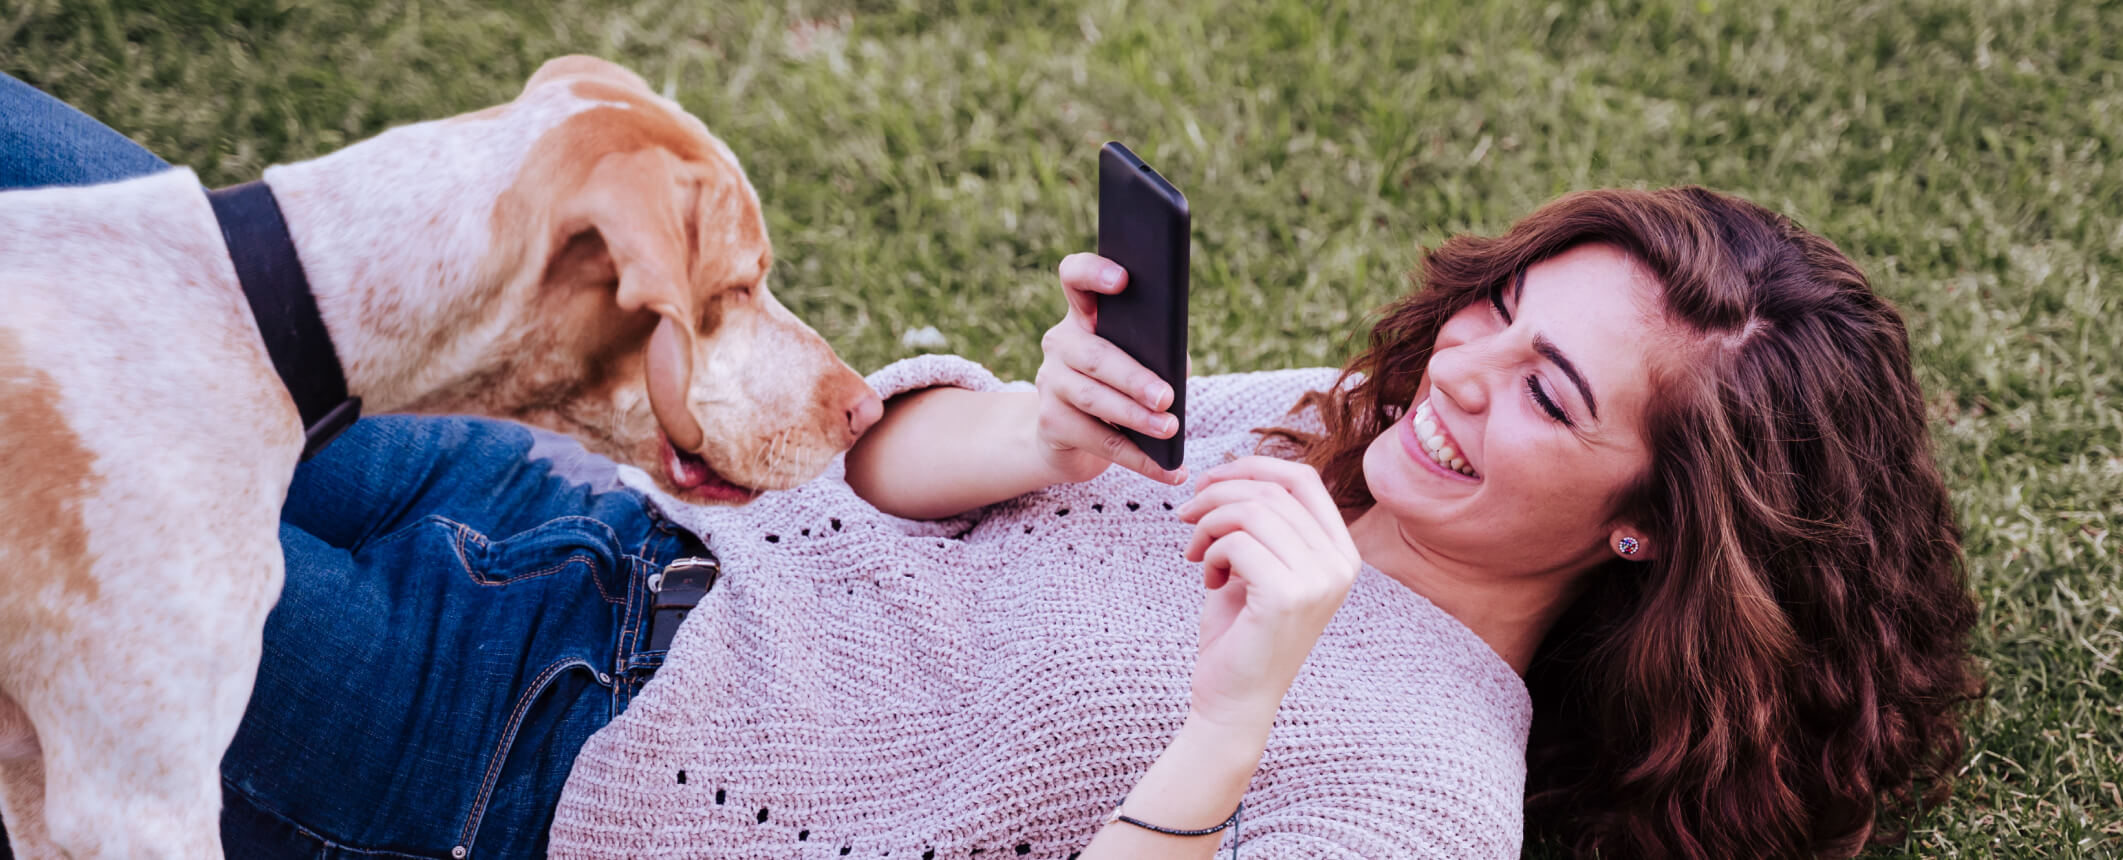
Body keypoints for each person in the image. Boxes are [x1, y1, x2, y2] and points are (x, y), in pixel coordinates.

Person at [2, 74, 1980, 859]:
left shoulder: (1430, 786)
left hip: (509, 757)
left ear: (1647, 518)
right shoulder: (1331, 429)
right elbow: (870, 477)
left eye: (1551, 397)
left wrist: (1242, 697)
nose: (1464, 376)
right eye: (1503, 312)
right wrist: (1033, 430)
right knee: (93, 240)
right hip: (556, 511)